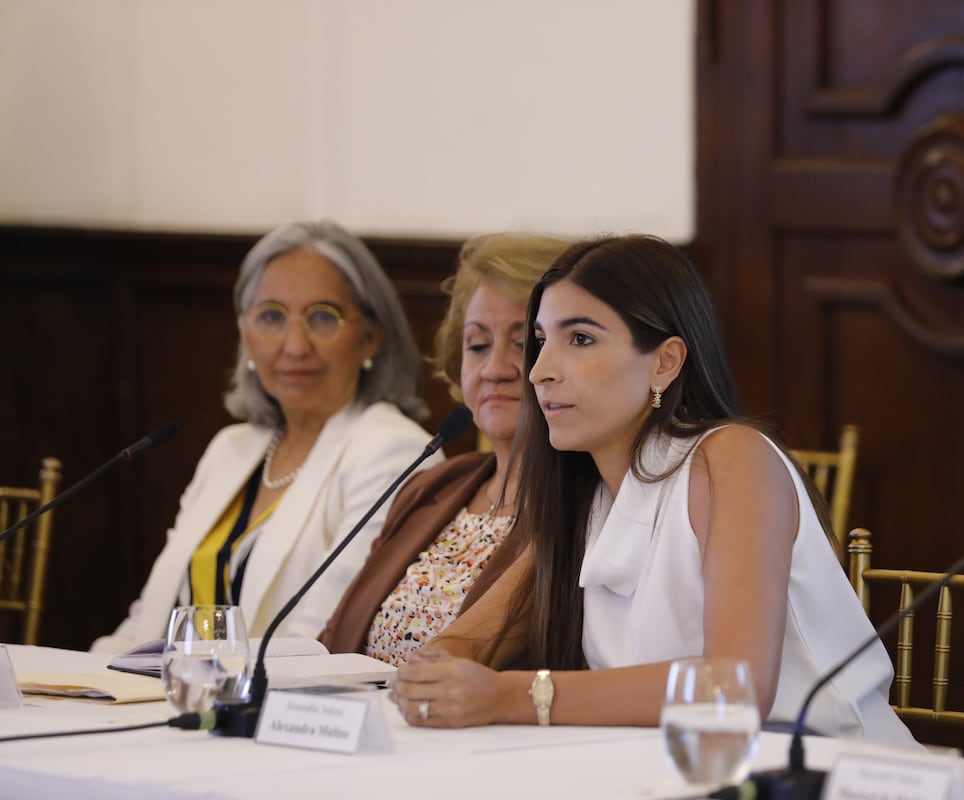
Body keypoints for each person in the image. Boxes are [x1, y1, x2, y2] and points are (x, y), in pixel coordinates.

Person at [387, 234, 914, 745]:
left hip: (823, 772)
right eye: (543, 342)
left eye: (581, 339)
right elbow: (471, 639)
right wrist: (437, 670)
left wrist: (509, 695)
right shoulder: (588, 495)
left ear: (665, 361)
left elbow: (736, 688)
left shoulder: (732, 458)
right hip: (667, 772)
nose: (539, 372)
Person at [91, 220, 439, 653]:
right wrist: (91, 681)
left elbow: (321, 635)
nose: (295, 346)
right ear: (244, 334)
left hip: (273, 709)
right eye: (272, 316)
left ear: (371, 337)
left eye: (323, 318)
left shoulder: (392, 451)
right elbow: (151, 616)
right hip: (173, 699)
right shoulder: (231, 449)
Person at [319, 233, 571, 663]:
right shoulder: (431, 487)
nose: (494, 369)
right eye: (477, 345)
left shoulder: (590, 503)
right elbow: (335, 638)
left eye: (525, 344)